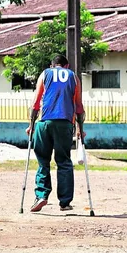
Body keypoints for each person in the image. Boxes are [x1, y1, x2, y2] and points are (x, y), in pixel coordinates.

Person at [26, 54, 86, 212]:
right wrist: (81, 129)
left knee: (43, 161)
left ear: (52, 65)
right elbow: (79, 107)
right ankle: (65, 202)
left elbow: (35, 103)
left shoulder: (45, 74)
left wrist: (31, 125)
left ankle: (41, 195)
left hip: (44, 123)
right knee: (64, 162)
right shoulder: (74, 77)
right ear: (66, 66)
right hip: (65, 123)